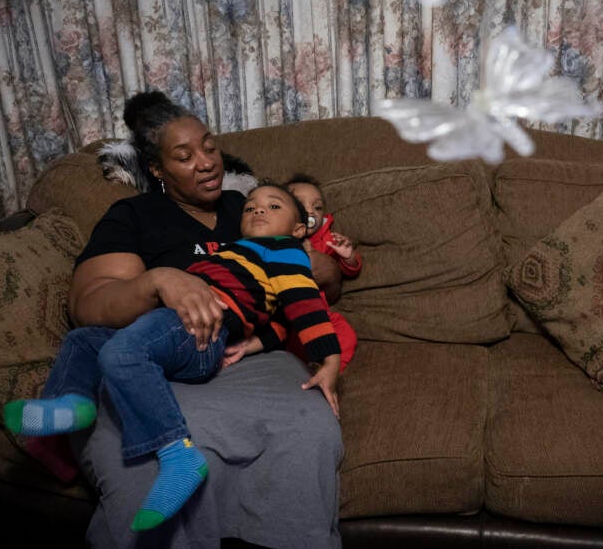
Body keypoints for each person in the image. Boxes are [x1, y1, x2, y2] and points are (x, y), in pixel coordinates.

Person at [24, 91, 343, 548]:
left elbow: (321, 281)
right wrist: (157, 281)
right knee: (139, 475)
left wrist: (299, 260)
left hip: (242, 349)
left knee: (306, 433)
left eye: (210, 147)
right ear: (157, 170)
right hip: (159, 358)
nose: (207, 162)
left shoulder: (252, 209)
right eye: (184, 156)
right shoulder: (134, 215)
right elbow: (89, 304)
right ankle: (133, 442)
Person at [284, 174, 361, 371]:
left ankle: (331, 373)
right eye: (301, 205)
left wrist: (347, 256)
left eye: (317, 207)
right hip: (285, 315)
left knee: (346, 335)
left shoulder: (327, 239)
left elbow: (348, 272)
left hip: (319, 312)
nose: (311, 212)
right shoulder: (277, 235)